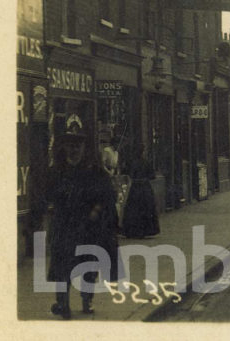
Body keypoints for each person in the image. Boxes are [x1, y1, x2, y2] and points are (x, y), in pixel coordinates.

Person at [46, 126, 121, 319]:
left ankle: (87, 300)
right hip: (64, 225)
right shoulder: (57, 170)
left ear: (83, 148)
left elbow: (108, 194)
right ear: (64, 148)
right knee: (63, 265)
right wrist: (51, 207)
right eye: (70, 146)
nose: (74, 150)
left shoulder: (94, 171)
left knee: (88, 265)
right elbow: (47, 193)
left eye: (78, 146)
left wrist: (96, 211)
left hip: (88, 226)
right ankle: (63, 303)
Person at [121, 146, 160, 239]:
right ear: (142, 152)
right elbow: (152, 175)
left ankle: (132, 230)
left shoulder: (131, 162)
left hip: (135, 187)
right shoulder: (146, 162)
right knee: (145, 208)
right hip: (144, 187)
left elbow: (126, 172)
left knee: (133, 209)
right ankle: (145, 230)